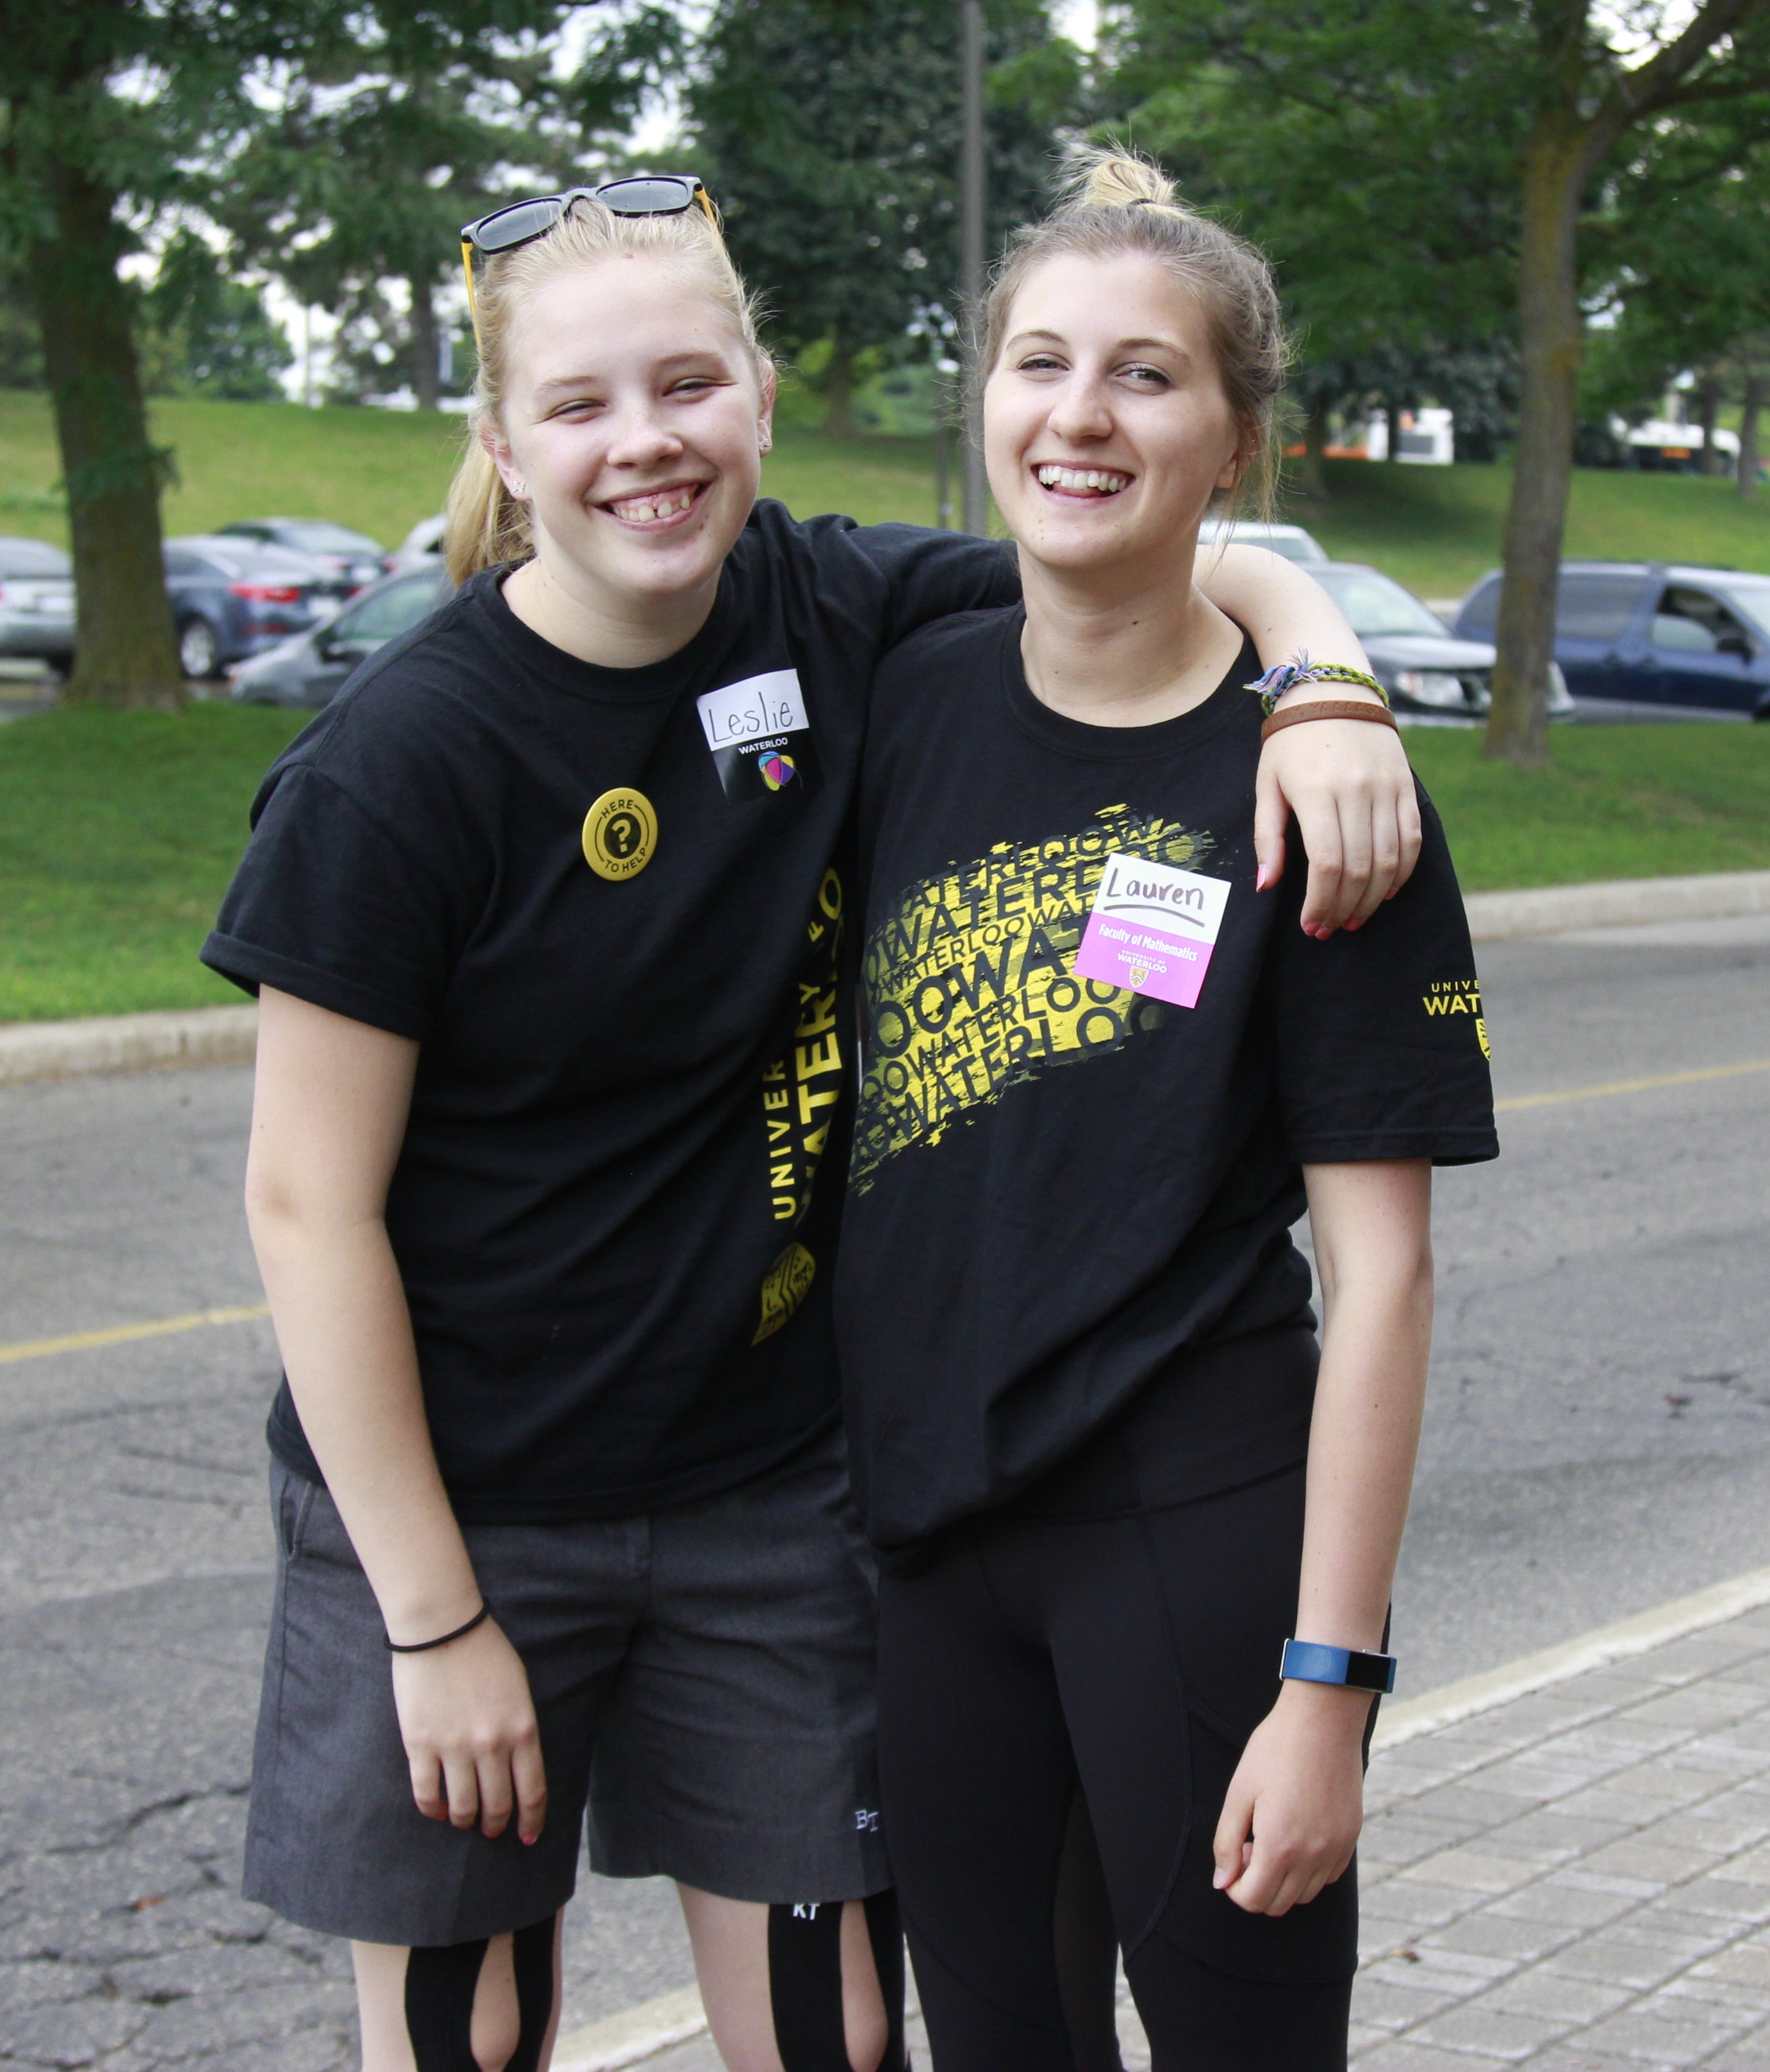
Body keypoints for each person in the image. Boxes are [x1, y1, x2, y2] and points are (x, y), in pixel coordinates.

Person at [203, 174, 1421, 2072]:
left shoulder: (830, 603)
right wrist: (432, 1624)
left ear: (760, 397)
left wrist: (1322, 675)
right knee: (473, 2028)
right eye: (584, 408)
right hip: (465, 1504)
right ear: (504, 447)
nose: (647, 447)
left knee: (841, 2033)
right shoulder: (401, 770)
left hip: (765, 1492)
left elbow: (1148, 550)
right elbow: (303, 1212)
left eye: (688, 387)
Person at [837, 151, 1501, 2071]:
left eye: (1145, 375)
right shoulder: (910, 693)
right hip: (934, 1539)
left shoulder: (1329, 798)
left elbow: (1383, 1280)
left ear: (1237, 444)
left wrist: (1331, 1693)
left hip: (1188, 1535)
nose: (1079, 414)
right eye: (1040, 363)